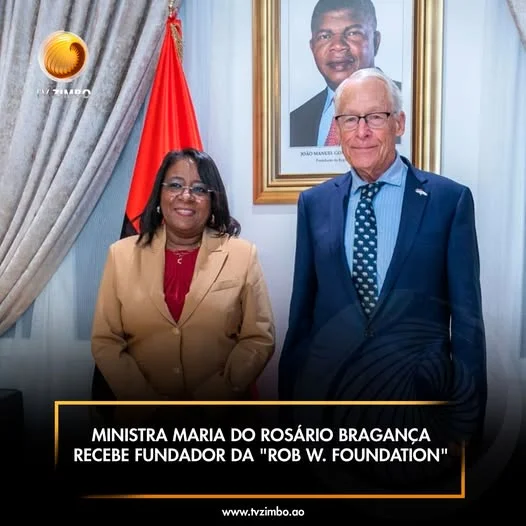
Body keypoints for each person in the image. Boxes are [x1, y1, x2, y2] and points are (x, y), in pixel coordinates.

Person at [280, 68, 487, 452]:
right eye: (349, 119)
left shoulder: (449, 201)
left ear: (399, 123)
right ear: (338, 128)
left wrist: (466, 420)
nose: (362, 132)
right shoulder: (314, 203)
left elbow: (468, 324)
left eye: (374, 117)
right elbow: (302, 318)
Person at [91, 149, 275, 420]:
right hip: (142, 420)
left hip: (219, 418)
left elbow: (258, 338)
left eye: (199, 189)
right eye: (175, 185)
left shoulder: (242, 255)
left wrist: (210, 399)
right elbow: (106, 340)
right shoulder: (121, 255)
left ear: (212, 200)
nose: (186, 196)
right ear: (160, 194)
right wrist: (146, 402)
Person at [290, 0, 400, 148]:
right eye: (324, 36)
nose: (338, 46)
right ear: (312, 47)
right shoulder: (295, 121)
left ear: (375, 42)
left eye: (352, 33)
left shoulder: (409, 104)